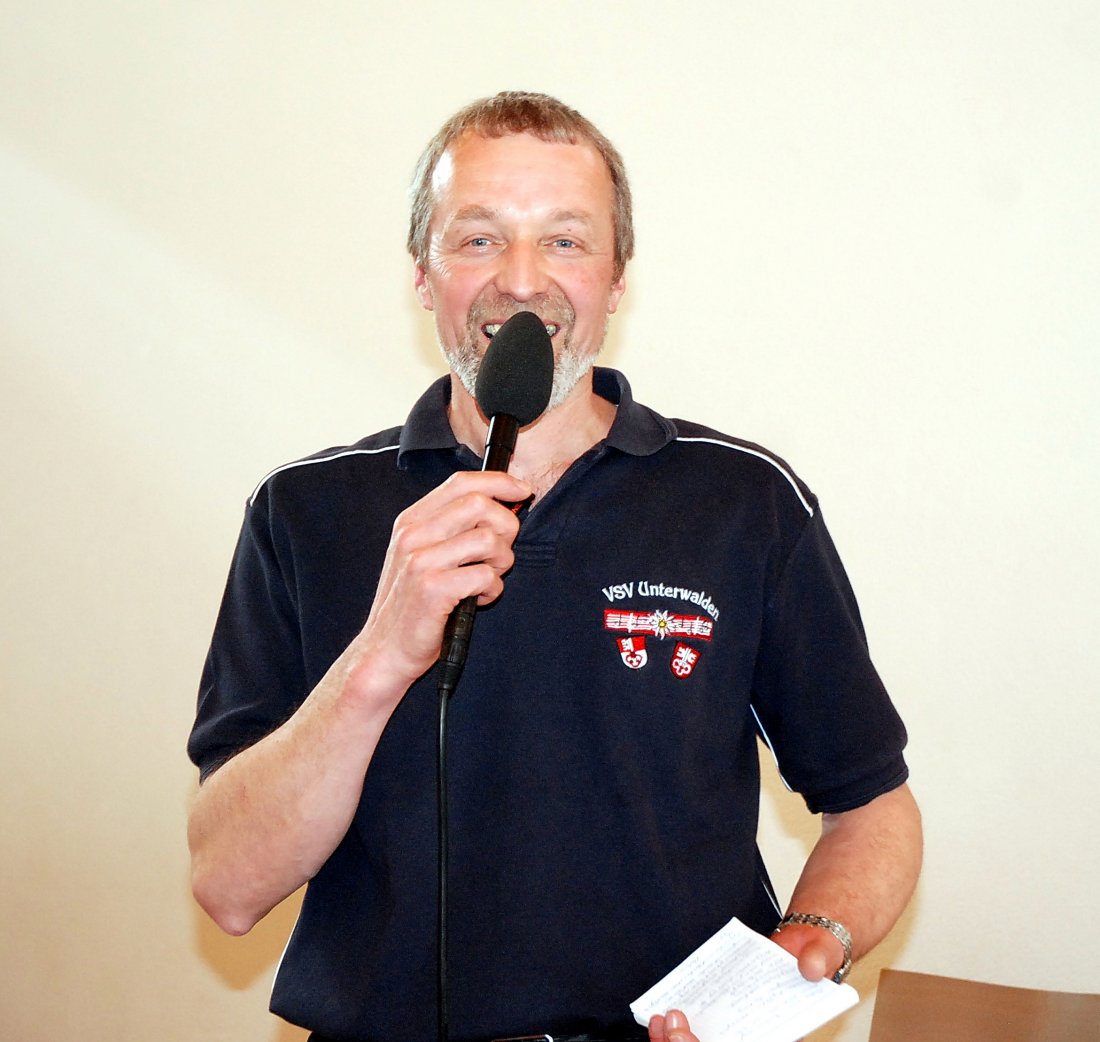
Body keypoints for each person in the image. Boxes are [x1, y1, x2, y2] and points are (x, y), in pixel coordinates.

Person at [187, 91, 922, 1042]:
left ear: (617, 281)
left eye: (566, 241)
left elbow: (871, 803)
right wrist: (382, 653)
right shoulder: (303, 510)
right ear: (423, 274)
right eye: (479, 239)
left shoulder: (744, 501)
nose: (522, 280)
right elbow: (229, 885)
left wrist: (802, 952)